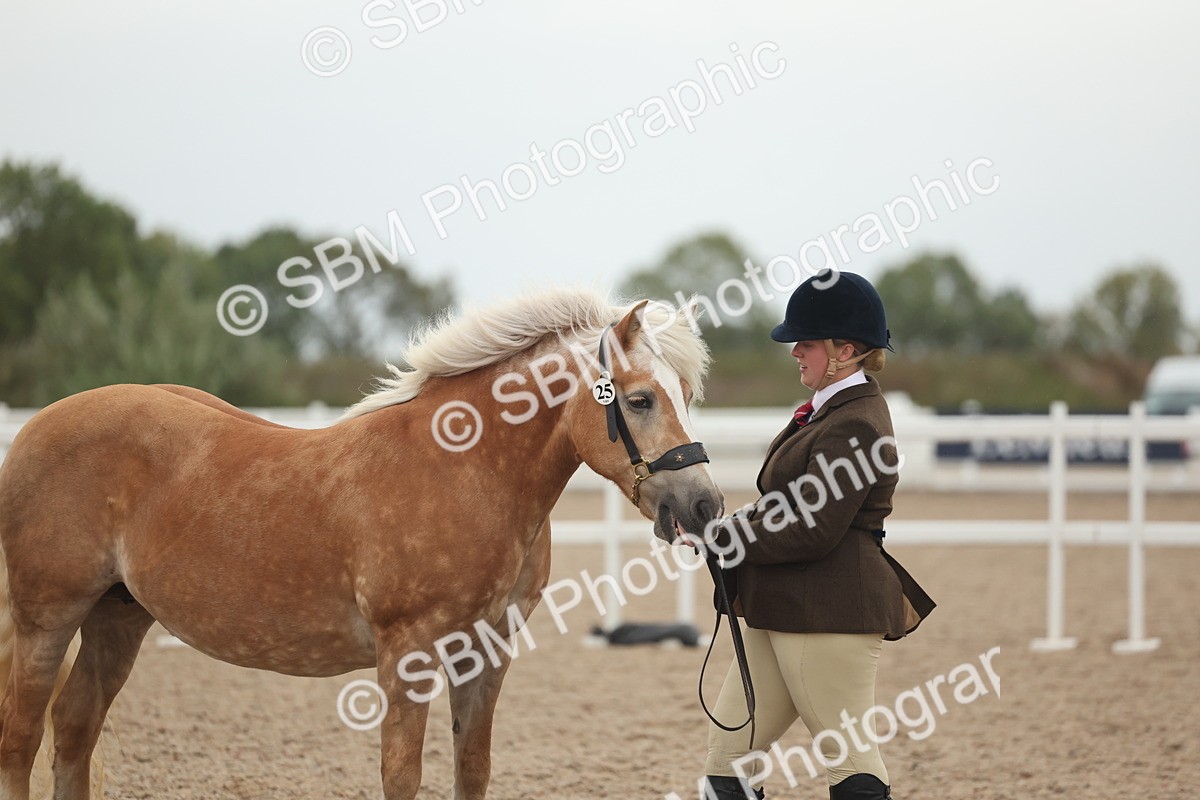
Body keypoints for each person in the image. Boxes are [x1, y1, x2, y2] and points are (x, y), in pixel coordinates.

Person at [695, 270, 935, 800]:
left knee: (850, 761)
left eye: (806, 343)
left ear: (846, 350)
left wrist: (730, 541)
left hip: (828, 608)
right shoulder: (827, 413)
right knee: (728, 760)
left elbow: (811, 528)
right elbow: (786, 507)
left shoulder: (856, 424)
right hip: (777, 603)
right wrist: (724, 529)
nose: (795, 352)